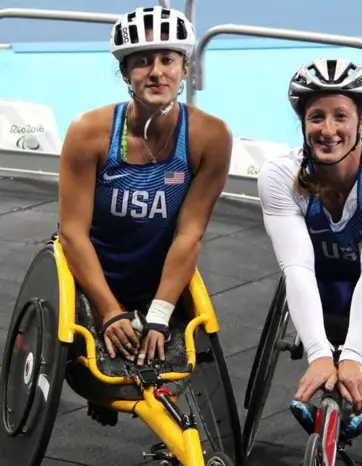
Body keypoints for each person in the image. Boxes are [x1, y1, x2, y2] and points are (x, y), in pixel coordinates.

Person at [58, 6, 232, 368]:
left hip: (158, 277)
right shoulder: (88, 133)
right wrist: (108, 310)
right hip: (90, 275)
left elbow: (190, 234)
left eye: (167, 59)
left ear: (185, 69)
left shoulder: (210, 137)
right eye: (142, 61)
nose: (156, 72)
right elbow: (73, 233)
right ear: (125, 71)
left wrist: (160, 314)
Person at [257, 58, 362, 430]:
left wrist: (353, 357)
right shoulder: (279, 176)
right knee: (312, 295)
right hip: (322, 283)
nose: (328, 130)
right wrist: (318, 355)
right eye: (317, 118)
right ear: (303, 123)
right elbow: (296, 270)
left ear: (361, 121)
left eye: (340, 116)